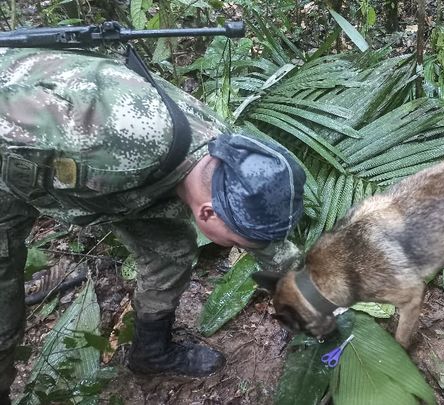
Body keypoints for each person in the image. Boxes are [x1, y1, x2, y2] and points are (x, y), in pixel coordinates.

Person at [0, 47, 306, 403]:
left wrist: (309, 294)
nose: (246, 247)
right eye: (240, 242)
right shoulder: (107, 146)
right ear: (207, 213)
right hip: (14, 155)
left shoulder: (226, 157)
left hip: (110, 175)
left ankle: (151, 352)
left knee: (170, 253)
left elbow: (262, 236)